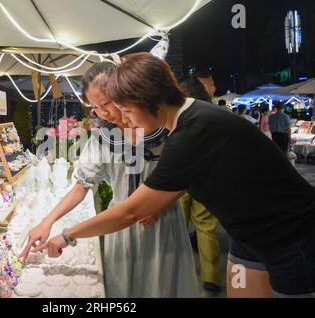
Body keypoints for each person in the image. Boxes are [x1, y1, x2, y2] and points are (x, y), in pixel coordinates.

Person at [41, 53, 315, 298]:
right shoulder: (187, 120)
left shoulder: (191, 133)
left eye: (125, 110)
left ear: (150, 99)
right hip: (246, 237)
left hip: (290, 236)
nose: (124, 120)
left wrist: (66, 235)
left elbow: (131, 212)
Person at [20, 62, 198, 298]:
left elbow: (188, 174)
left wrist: (160, 204)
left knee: (161, 287)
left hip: (161, 227)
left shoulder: (163, 127)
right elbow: (81, 186)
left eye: (106, 103)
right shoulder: (103, 137)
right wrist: (48, 221)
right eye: (95, 107)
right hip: (119, 228)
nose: (103, 112)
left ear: (123, 91)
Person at [179, 77, 222, 295]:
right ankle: (211, 277)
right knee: (206, 229)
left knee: (176, 228)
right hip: (207, 181)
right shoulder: (215, 116)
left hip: (180, 182)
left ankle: (177, 272)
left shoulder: (181, 115)